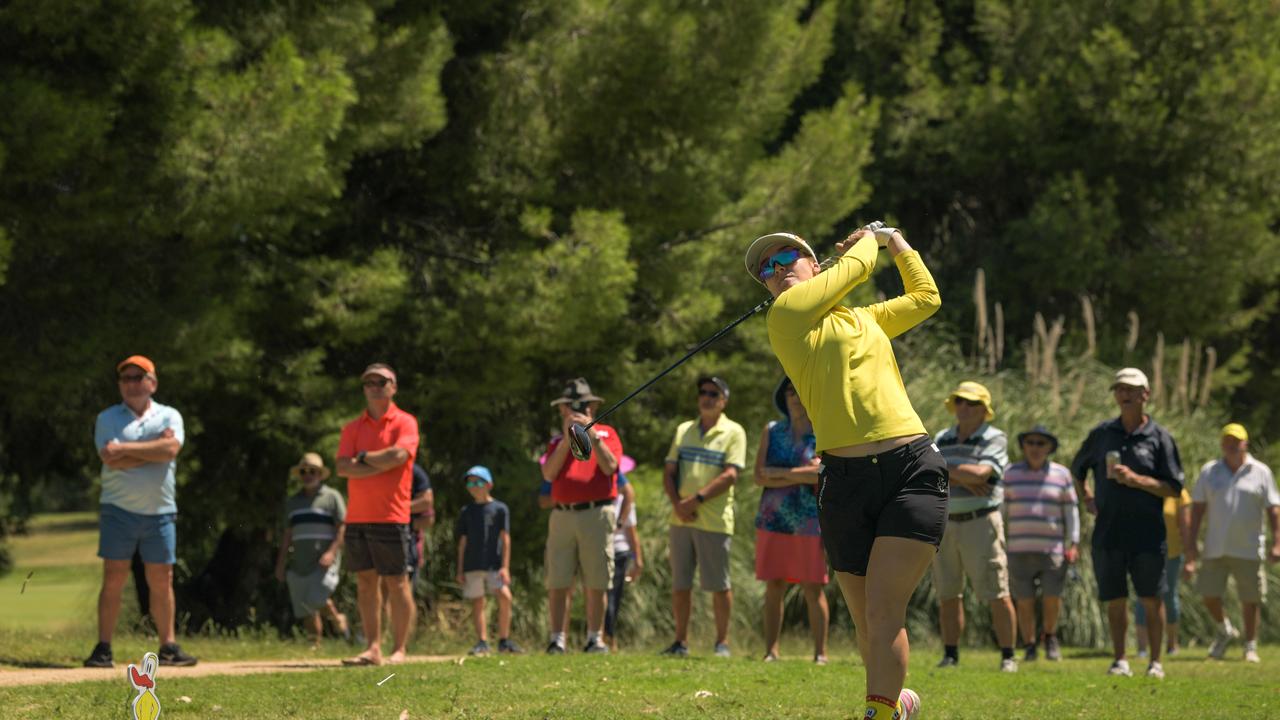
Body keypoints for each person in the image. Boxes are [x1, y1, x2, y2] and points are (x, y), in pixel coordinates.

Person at [746, 224, 943, 720]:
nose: (777, 271)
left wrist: (896, 241)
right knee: (866, 623)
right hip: (844, 481)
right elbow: (857, 266)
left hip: (909, 468)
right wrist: (871, 239)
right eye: (766, 270)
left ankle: (877, 713)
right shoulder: (786, 317)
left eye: (787, 256)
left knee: (882, 611)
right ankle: (897, 703)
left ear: (815, 265)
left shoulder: (867, 319)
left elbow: (925, 298)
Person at [1070, 367, 1184, 679]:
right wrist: (1088, 497)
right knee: (1115, 600)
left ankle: (1155, 662)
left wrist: (1137, 480)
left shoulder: (1160, 438)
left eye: (1131, 389)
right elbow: (1077, 469)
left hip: (1148, 534)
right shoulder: (1102, 434)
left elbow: (1173, 488)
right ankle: (1120, 660)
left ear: (1145, 394)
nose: (1125, 394)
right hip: (1109, 532)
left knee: (1151, 598)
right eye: (1119, 389)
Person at [85, 355, 198, 668]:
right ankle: (103, 649)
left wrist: (125, 449)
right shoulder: (107, 417)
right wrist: (153, 451)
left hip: (161, 511)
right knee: (114, 577)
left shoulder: (169, 415)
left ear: (153, 383)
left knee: (163, 579)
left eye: (138, 377)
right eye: (126, 378)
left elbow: (171, 450)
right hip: (118, 509)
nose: (132, 383)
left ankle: (169, 647)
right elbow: (109, 458)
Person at [336, 363, 420, 666]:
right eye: (369, 382)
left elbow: (399, 456)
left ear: (393, 386)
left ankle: (399, 648)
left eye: (381, 381)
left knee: (397, 582)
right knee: (365, 582)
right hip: (357, 516)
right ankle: (373, 647)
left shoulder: (405, 422)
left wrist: (362, 460)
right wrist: (378, 462)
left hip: (392, 515)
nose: (374, 386)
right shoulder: (352, 428)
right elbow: (342, 467)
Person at [931, 381, 1018, 672]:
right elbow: (928, 473)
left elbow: (982, 474)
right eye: (959, 402)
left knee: (996, 590)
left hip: (981, 522)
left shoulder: (995, 437)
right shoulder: (943, 437)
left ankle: (1008, 656)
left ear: (984, 410)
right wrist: (963, 476)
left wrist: (950, 473)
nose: (963, 408)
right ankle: (951, 655)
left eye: (970, 403)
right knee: (947, 593)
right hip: (945, 523)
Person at [659, 376, 748, 658]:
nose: (706, 397)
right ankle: (680, 642)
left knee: (719, 585)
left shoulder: (734, 432)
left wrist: (695, 500)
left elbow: (731, 474)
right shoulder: (684, 429)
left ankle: (721, 643)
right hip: (681, 519)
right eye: (703, 392)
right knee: (680, 584)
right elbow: (669, 470)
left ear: (724, 401)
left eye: (713, 393)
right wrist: (678, 505)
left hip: (714, 520)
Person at [1185, 423, 1280, 663]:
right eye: (1227, 441)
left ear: (1245, 444)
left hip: (1248, 547)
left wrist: (1277, 542)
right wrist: (1191, 543)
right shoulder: (1210, 471)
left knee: (1251, 598)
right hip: (1215, 546)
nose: (1232, 445)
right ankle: (1225, 629)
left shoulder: (1261, 472)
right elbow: (1197, 509)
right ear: (1222, 444)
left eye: (1236, 441)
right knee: (1208, 594)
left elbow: (1274, 509)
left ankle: (1250, 645)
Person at [540, 378, 622, 654]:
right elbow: (549, 473)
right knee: (558, 579)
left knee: (597, 579)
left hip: (596, 514)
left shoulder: (608, 434)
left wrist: (593, 435)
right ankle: (557, 639)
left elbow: (611, 468)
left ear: (593, 407)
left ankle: (594, 638)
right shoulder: (556, 442)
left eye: (584, 406)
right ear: (563, 410)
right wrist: (567, 438)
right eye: (572, 407)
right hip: (563, 515)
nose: (577, 411)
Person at [753, 376, 829, 664]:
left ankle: (820, 653)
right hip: (773, 520)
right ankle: (771, 650)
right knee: (774, 585)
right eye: (789, 391)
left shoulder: (824, 433)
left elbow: (822, 475)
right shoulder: (771, 431)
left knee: (813, 586)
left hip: (810, 521)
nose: (795, 397)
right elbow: (759, 476)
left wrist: (782, 474)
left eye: (800, 390)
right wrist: (803, 473)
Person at [1003, 425, 1079, 662]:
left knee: (1052, 597)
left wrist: (1074, 542)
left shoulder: (1062, 474)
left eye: (1041, 443)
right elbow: (1001, 511)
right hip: (1017, 549)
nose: (1035, 448)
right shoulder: (1010, 473)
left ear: (1049, 448)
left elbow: (1071, 512)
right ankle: (1029, 644)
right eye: (1030, 443)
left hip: (1053, 550)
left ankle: (1050, 636)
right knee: (1024, 601)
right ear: (1023, 446)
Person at [274, 453, 350, 647]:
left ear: (320, 474)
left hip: (323, 560)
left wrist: (332, 552)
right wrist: (281, 563)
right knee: (305, 606)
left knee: (317, 597)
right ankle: (314, 644)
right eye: (304, 471)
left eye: (312, 471)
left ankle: (338, 619)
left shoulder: (332, 497)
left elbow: (342, 526)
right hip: (299, 561)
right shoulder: (293, 502)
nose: (308, 475)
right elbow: (287, 534)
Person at [454, 466, 521, 655]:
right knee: (478, 602)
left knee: (505, 597)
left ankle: (503, 639)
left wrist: (505, 567)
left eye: (478, 482)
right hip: (472, 563)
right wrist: (459, 569)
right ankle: (482, 642)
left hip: (494, 563)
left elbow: (505, 538)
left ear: (489, 484)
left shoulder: (500, 509)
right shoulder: (466, 511)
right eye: (470, 482)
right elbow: (462, 542)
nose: (473, 486)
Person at [1134, 483, 1191, 659]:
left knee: (1169, 596)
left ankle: (1172, 644)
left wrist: (1190, 557)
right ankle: (1143, 648)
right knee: (1142, 598)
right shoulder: (1140, 488)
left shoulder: (1177, 493)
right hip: (1143, 551)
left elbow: (1185, 527)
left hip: (1171, 555)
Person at [604, 467, 643, 650]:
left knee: (610, 597)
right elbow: (632, 535)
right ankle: (605, 637)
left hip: (619, 552)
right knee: (609, 597)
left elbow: (631, 533)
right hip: (609, 551)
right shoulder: (604, 501)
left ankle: (608, 637)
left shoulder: (623, 502)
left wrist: (637, 559)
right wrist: (637, 560)